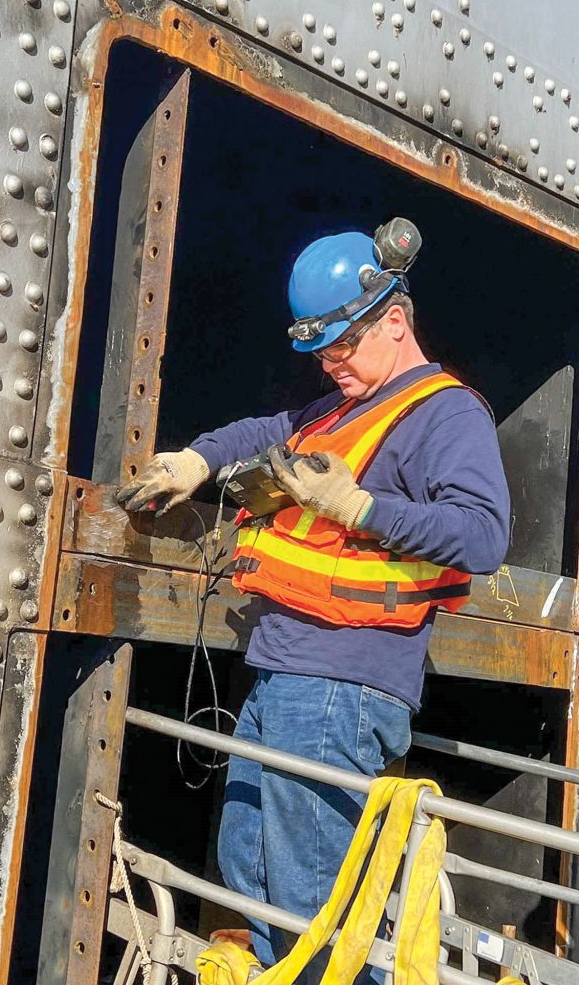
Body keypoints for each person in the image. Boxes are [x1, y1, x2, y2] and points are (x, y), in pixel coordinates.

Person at [116, 227, 510, 981]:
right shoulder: (339, 408)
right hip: (284, 675)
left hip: (343, 685)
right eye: (320, 355)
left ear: (394, 318)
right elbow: (269, 431)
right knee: (250, 864)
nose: (331, 367)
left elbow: (484, 534)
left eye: (341, 349)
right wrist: (197, 460)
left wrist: (358, 507)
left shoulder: (446, 414)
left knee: (311, 899)